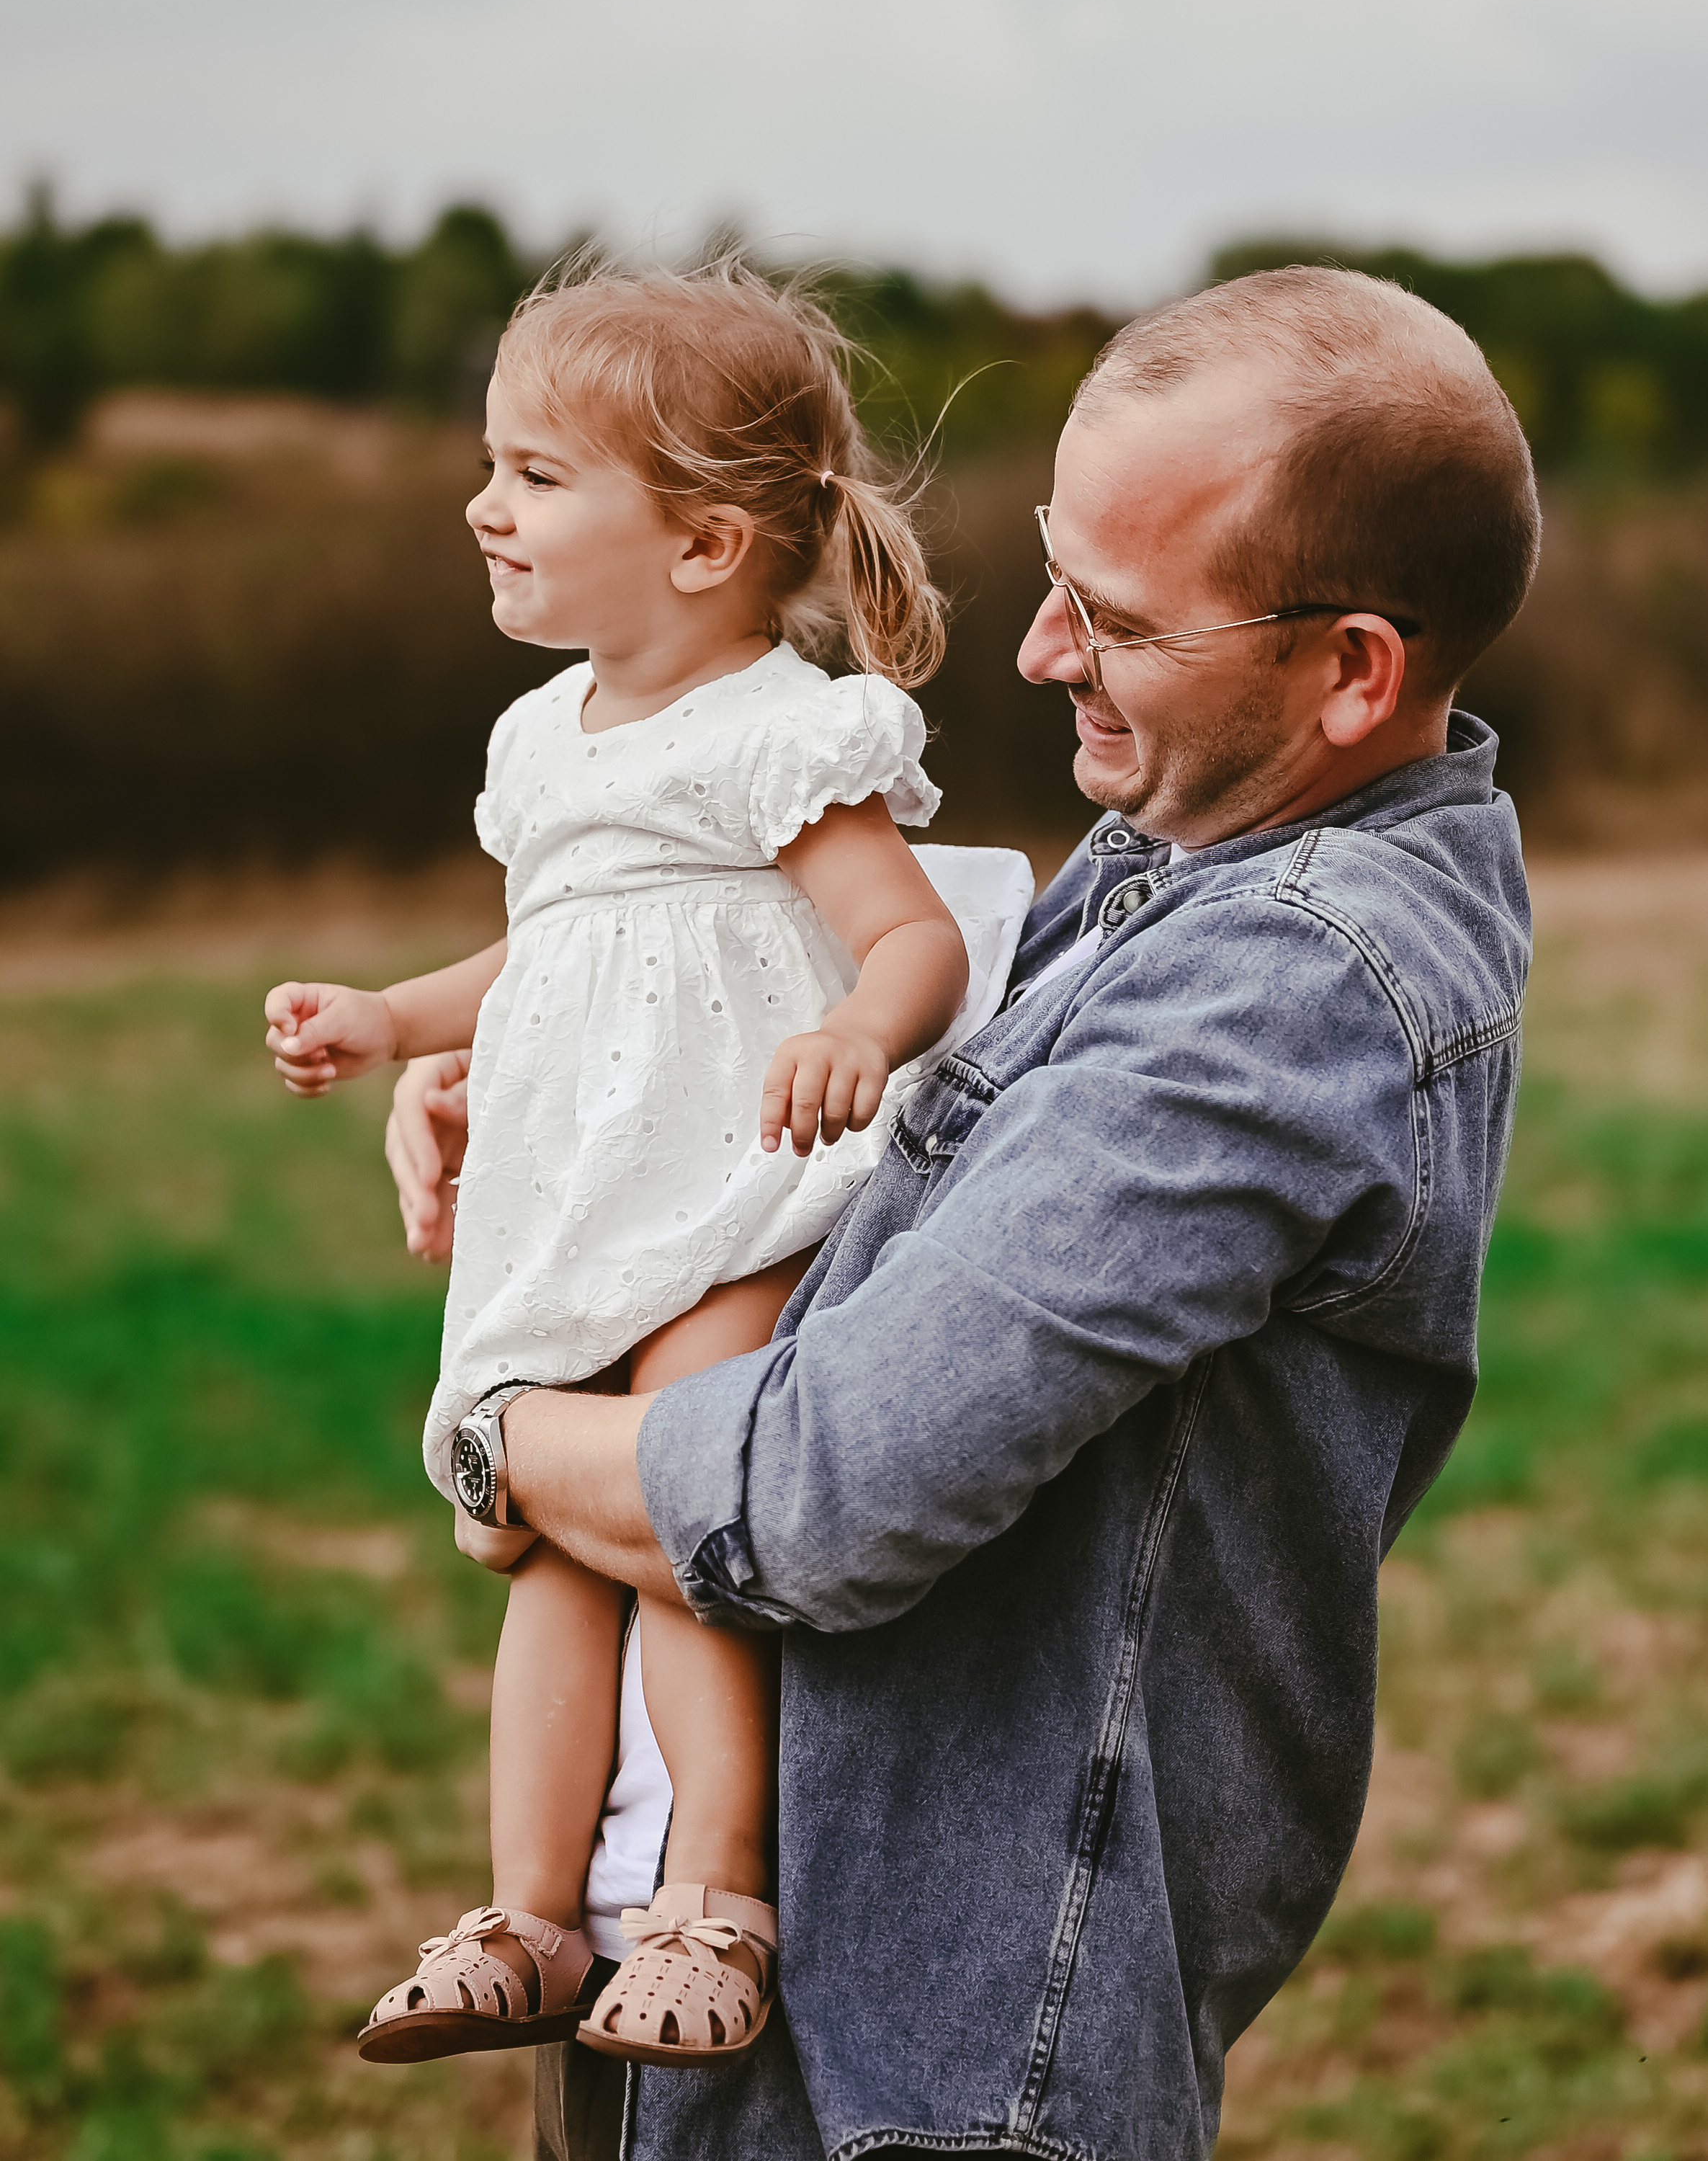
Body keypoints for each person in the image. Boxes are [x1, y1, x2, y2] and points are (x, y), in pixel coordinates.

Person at [385, 264, 1542, 2161]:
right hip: (701, 1971)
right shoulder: (1184, 853)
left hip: (914, 2055)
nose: (1036, 651)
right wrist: (551, 1096)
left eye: (1116, 612)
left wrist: (500, 1417)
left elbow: (815, 1487)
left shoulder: (1279, 987)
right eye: (1053, 572)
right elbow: (823, 1018)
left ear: (1351, 667)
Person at [261, 263, 1032, 2070]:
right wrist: (390, 1014)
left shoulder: (783, 734)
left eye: (534, 474)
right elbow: (553, 952)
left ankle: (714, 1899)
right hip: (570, 1204)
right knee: (545, 1553)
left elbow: (906, 939)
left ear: (700, 543)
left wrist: (862, 1031)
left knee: (686, 1527)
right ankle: (530, 1913)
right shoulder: (545, 743)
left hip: (732, 1195)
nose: (483, 504)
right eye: (492, 464)